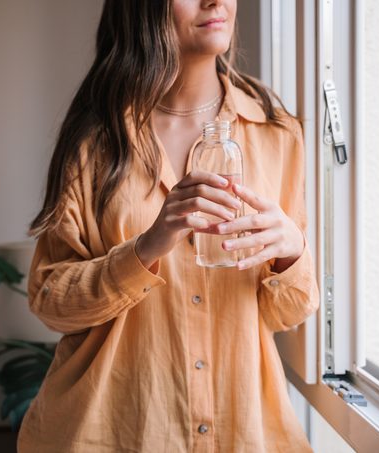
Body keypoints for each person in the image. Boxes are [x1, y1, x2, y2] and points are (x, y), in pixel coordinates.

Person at [18, 0, 320, 451]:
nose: (215, 1)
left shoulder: (277, 134)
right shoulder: (95, 140)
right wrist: (145, 248)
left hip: (240, 433)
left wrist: (291, 252)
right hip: (112, 432)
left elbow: (287, 313)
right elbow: (49, 301)